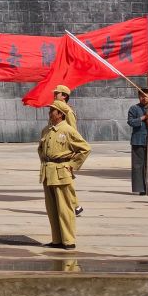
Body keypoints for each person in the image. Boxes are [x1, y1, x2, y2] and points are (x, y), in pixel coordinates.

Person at [38, 98, 89, 248]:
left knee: (64, 209)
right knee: (52, 209)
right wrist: (45, 160)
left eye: (52, 111)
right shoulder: (46, 130)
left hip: (62, 173)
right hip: (48, 173)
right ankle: (57, 240)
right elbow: (40, 149)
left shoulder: (68, 130)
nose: (49, 113)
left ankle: (68, 241)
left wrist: (72, 165)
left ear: (60, 114)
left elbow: (85, 148)